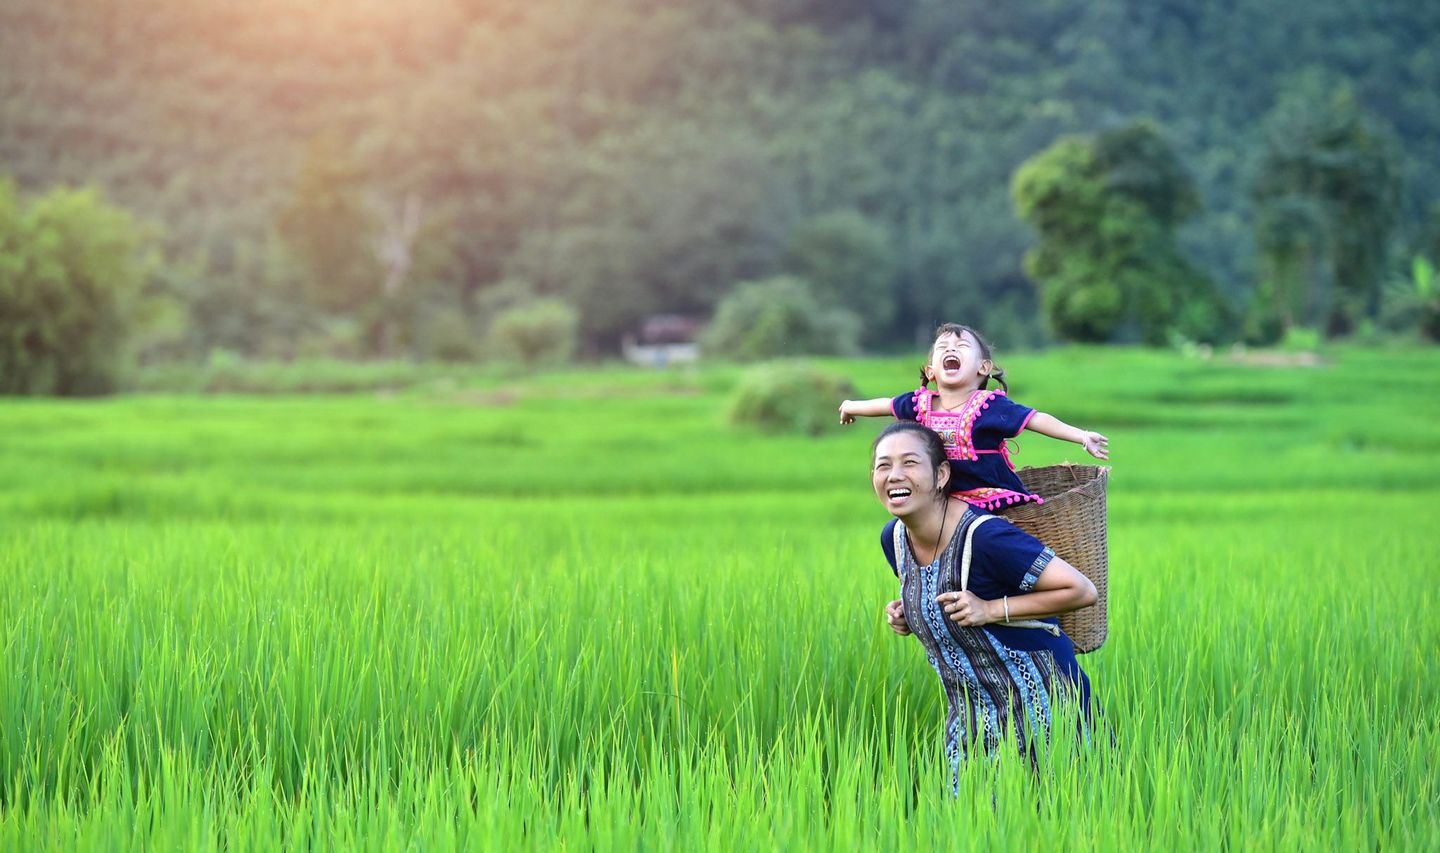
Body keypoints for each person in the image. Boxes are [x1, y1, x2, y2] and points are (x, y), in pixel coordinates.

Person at [871, 421, 1096, 785]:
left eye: (910, 463)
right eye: (883, 465)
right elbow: (943, 593)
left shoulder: (987, 536)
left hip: (1044, 704)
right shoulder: (894, 539)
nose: (895, 475)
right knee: (972, 825)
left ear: (941, 474)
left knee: (1057, 819)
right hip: (972, 713)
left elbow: (1081, 590)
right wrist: (908, 612)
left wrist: (991, 609)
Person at [840, 323, 1108, 512]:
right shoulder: (920, 403)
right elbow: (886, 405)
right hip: (942, 499)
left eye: (961, 345)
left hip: (989, 499)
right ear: (931, 371)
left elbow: (1036, 419)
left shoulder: (989, 405)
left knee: (978, 533)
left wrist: (1081, 436)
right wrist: (851, 405)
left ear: (984, 368)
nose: (950, 349)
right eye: (942, 346)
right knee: (898, 531)